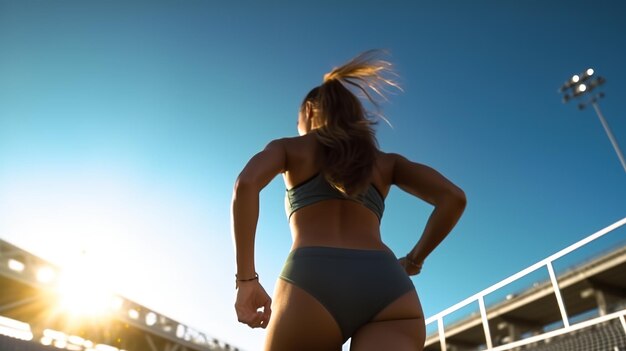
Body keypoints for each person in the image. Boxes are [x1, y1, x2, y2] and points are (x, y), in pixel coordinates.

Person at [231, 50, 466, 351]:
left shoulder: (290, 148)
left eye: (299, 119)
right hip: (389, 286)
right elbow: (454, 198)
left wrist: (246, 280)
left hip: (312, 280)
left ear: (311, 112)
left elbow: (246, 184)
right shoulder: (386, 162)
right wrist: (413, 260)